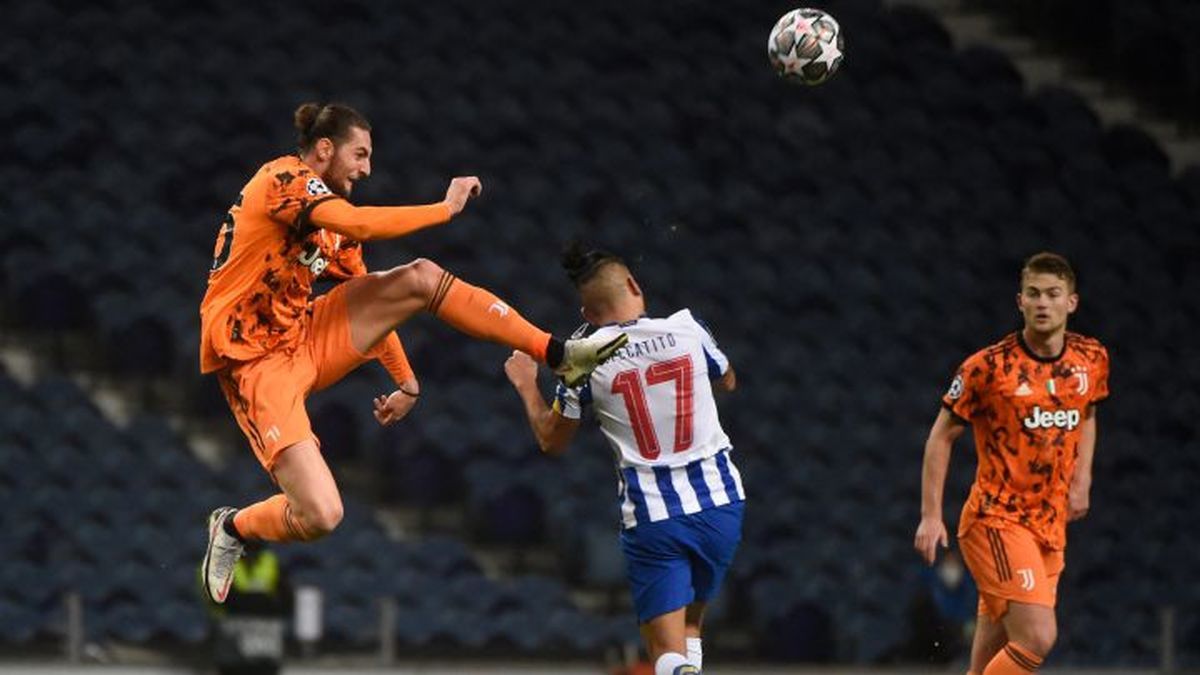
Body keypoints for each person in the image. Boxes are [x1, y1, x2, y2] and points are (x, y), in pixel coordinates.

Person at [199, 103, 627, 604]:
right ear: (324, 150)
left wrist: (407, 382)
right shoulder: (281, 180)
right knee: (322, 515)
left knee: (419, 277)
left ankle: (555, 351)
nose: (366, 168)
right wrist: (443, 209)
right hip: (254, 362)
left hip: (304, 334)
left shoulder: (332, 226)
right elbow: (359, 225)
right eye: (359, 155)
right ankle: (234, 527)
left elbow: (376, 302)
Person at [503, 243, 744, 675]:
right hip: (722, 502)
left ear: (587, 312)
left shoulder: (580, 360)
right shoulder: (689, 328)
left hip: (656, 513)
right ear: (632, 284)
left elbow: (551, 440)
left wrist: (526, 385)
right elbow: (727, 379)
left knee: (664, 653)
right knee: (691, 628)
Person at [913, 252, 1110, 674]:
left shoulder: (1091, 359)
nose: (1043, 303)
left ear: (1071, 302)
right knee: (1037, 636)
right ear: (1019, 301)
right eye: (1034, 294)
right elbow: (940, 437)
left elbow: (1088, 411)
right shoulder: (988, 368)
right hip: (997, 519)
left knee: (990, 655)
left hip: (1049, 525)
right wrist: (931, 516)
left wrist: (1083, 479)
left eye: (1053, 294)